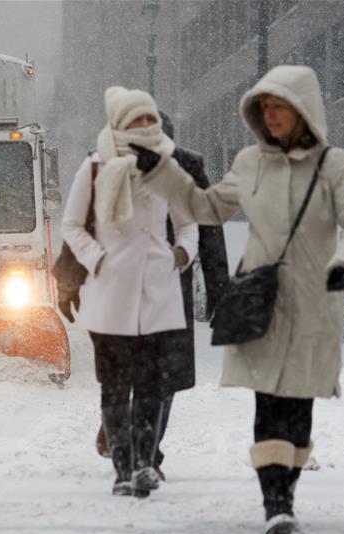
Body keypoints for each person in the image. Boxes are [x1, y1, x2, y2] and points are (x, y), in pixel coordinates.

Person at [132, 65, 344, 534]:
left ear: (303, 110)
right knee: (267, 404)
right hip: (263, 303)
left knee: (298, 409)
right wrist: (163, 174)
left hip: (312, 304)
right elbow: (206, 208)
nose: (271, 115)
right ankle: (276, 504)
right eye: (265, 108)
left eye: (279, 106)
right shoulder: (248, 163)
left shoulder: (333, 165)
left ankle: (287, 488)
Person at [60, 86, 197, 498]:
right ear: (119, 123)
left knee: (153, 385)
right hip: (112, 292)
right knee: (116, 387)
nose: (144, 125)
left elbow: (189, 223)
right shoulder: (97, 166)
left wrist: (180, 255)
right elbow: (71, 225)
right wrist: (96, 259)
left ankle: (144, 464)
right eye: (136, 119)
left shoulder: (168, 168)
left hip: (158, 290)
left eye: (148, 118)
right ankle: (122, 468)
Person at [94, 110, 229, 482]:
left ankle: (147, 455)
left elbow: (209, 229)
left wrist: (219, 290)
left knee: (164, 378)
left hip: (170, 286)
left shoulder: (187, 168)